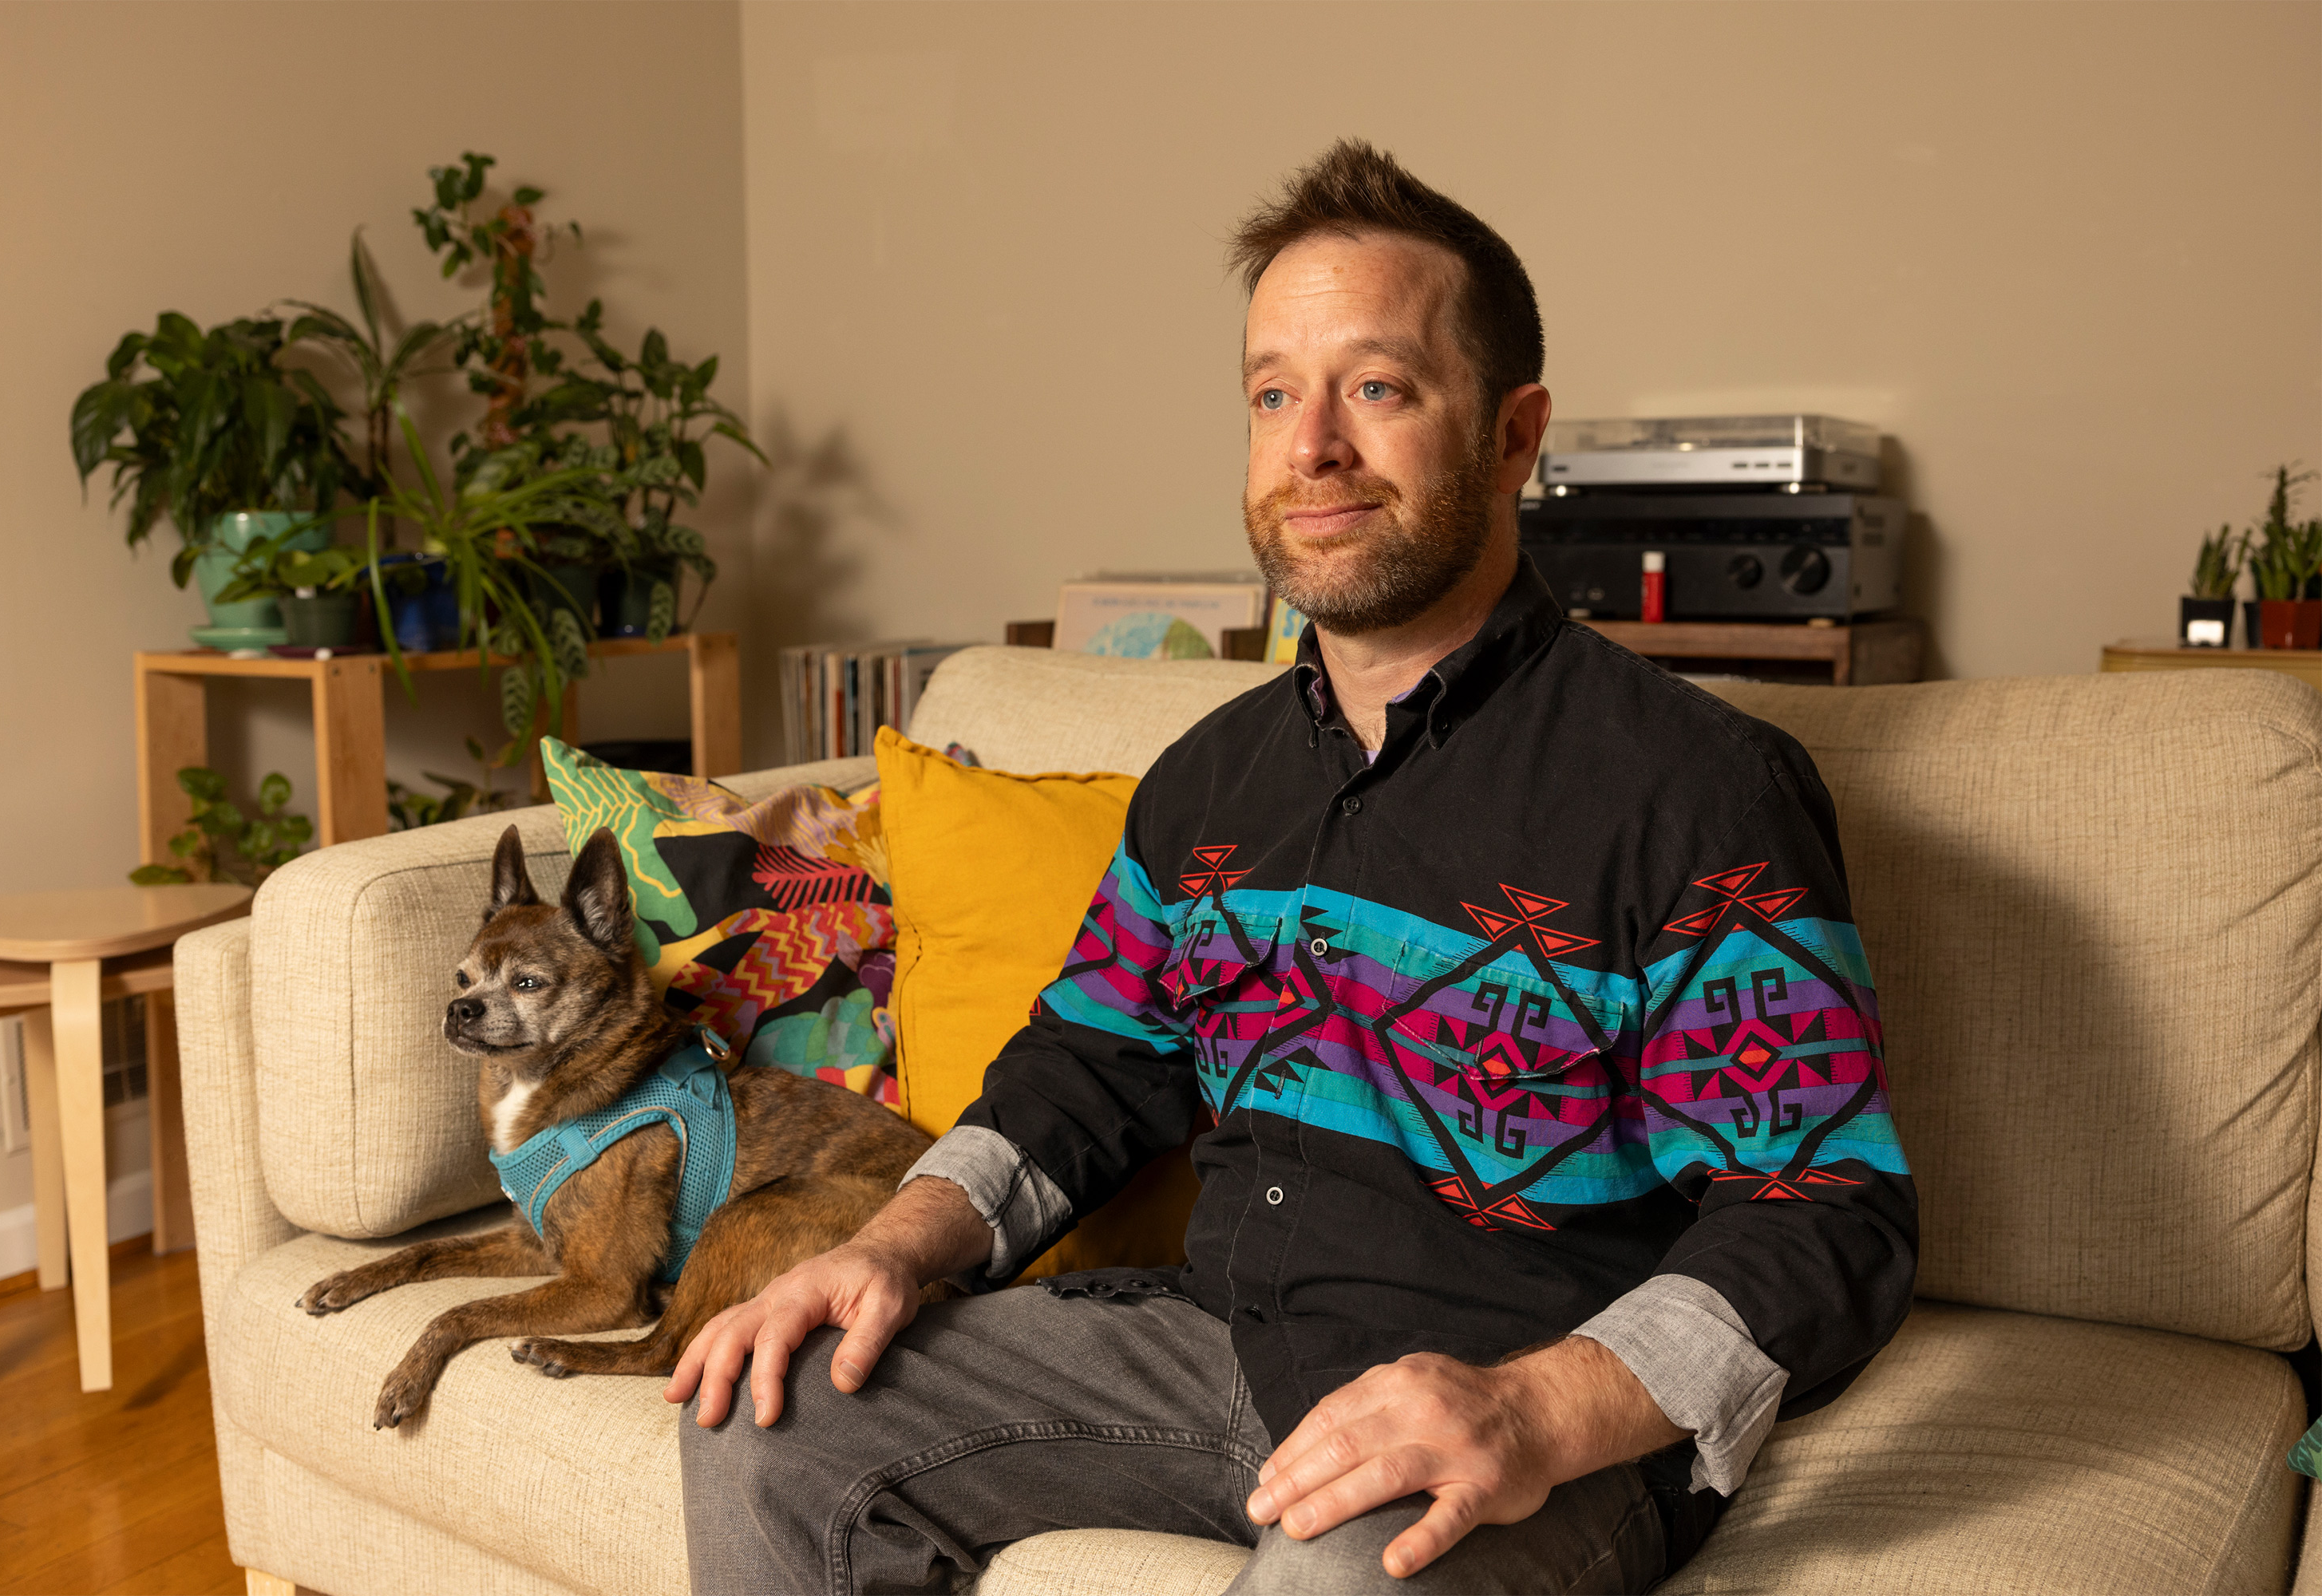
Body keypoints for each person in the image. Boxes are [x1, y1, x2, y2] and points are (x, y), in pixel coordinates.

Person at [669, 139, 1917, 1595]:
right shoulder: (1209, 781)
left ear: (1516, 437)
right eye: (1274, 394)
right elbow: (1088, 1065)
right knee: (768, 1411)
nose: (1312, 444)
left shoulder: (1695, 790)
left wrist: (1532, 1407)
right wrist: (895, 1242)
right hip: (1219, 1355)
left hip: (1508, 1413)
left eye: (1378, 388)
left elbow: (1826, 1203)